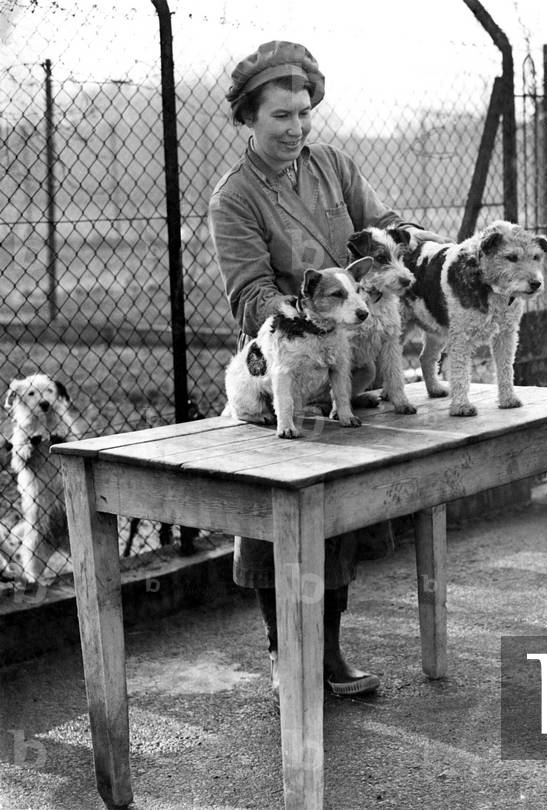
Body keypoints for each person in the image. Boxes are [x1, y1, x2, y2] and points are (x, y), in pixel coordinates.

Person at [208, 40, 441, 698]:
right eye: (280, 116)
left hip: (349, 372)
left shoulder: (334, 166)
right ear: (248, 119)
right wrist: (305, 310)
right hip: (282, 376)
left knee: (339, 523)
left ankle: (329, 651)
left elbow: (380, 224)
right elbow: (248, 293)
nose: (295, 127)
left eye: (303, 112)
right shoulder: (235, 198)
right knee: (281, 527)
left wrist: (410, 239)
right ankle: (287, 655)